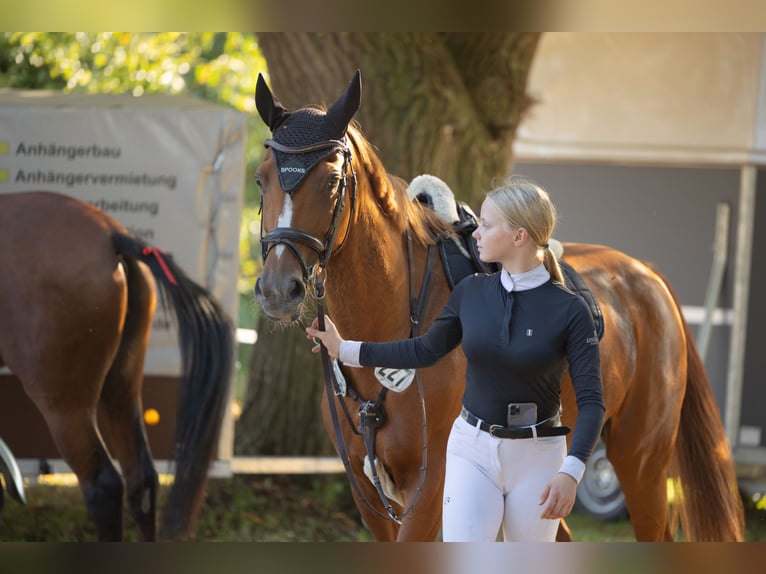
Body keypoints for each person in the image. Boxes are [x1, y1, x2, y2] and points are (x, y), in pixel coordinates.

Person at [306, 175, 605, 542]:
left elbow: (592, 402)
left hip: (539, 457)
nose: (476, 233)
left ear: (519, 237)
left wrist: (570, 472)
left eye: (487, 224)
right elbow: (423, 349)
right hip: (471, 450)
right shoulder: (470, 292)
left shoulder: (570, 310)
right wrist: (345, 349)